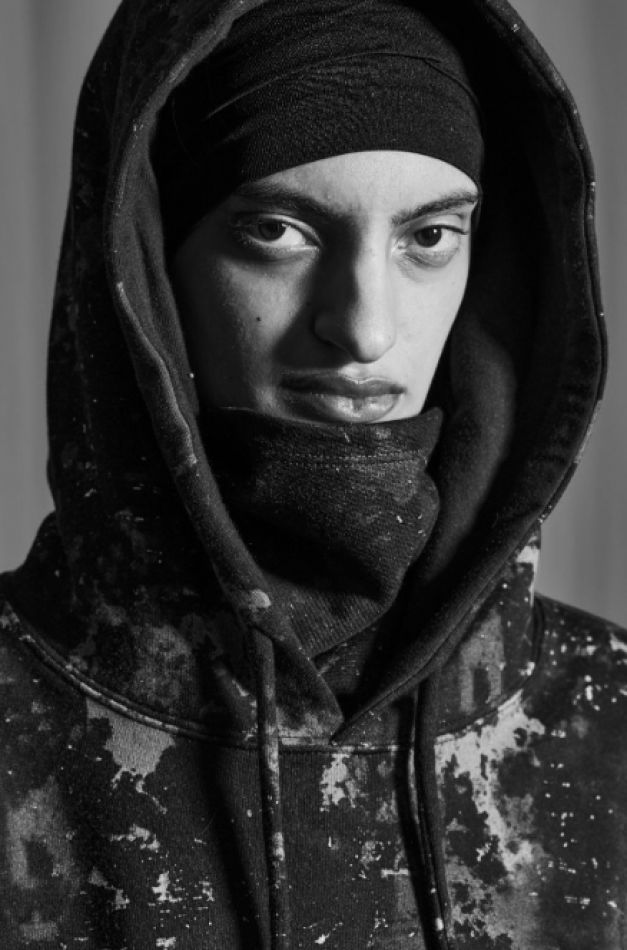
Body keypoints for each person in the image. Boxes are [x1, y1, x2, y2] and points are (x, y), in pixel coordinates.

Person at [0, 0, 625, 947]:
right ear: (150, 259)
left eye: (427, 237)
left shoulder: (606, 714)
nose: (364, 328)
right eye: (278, 230)